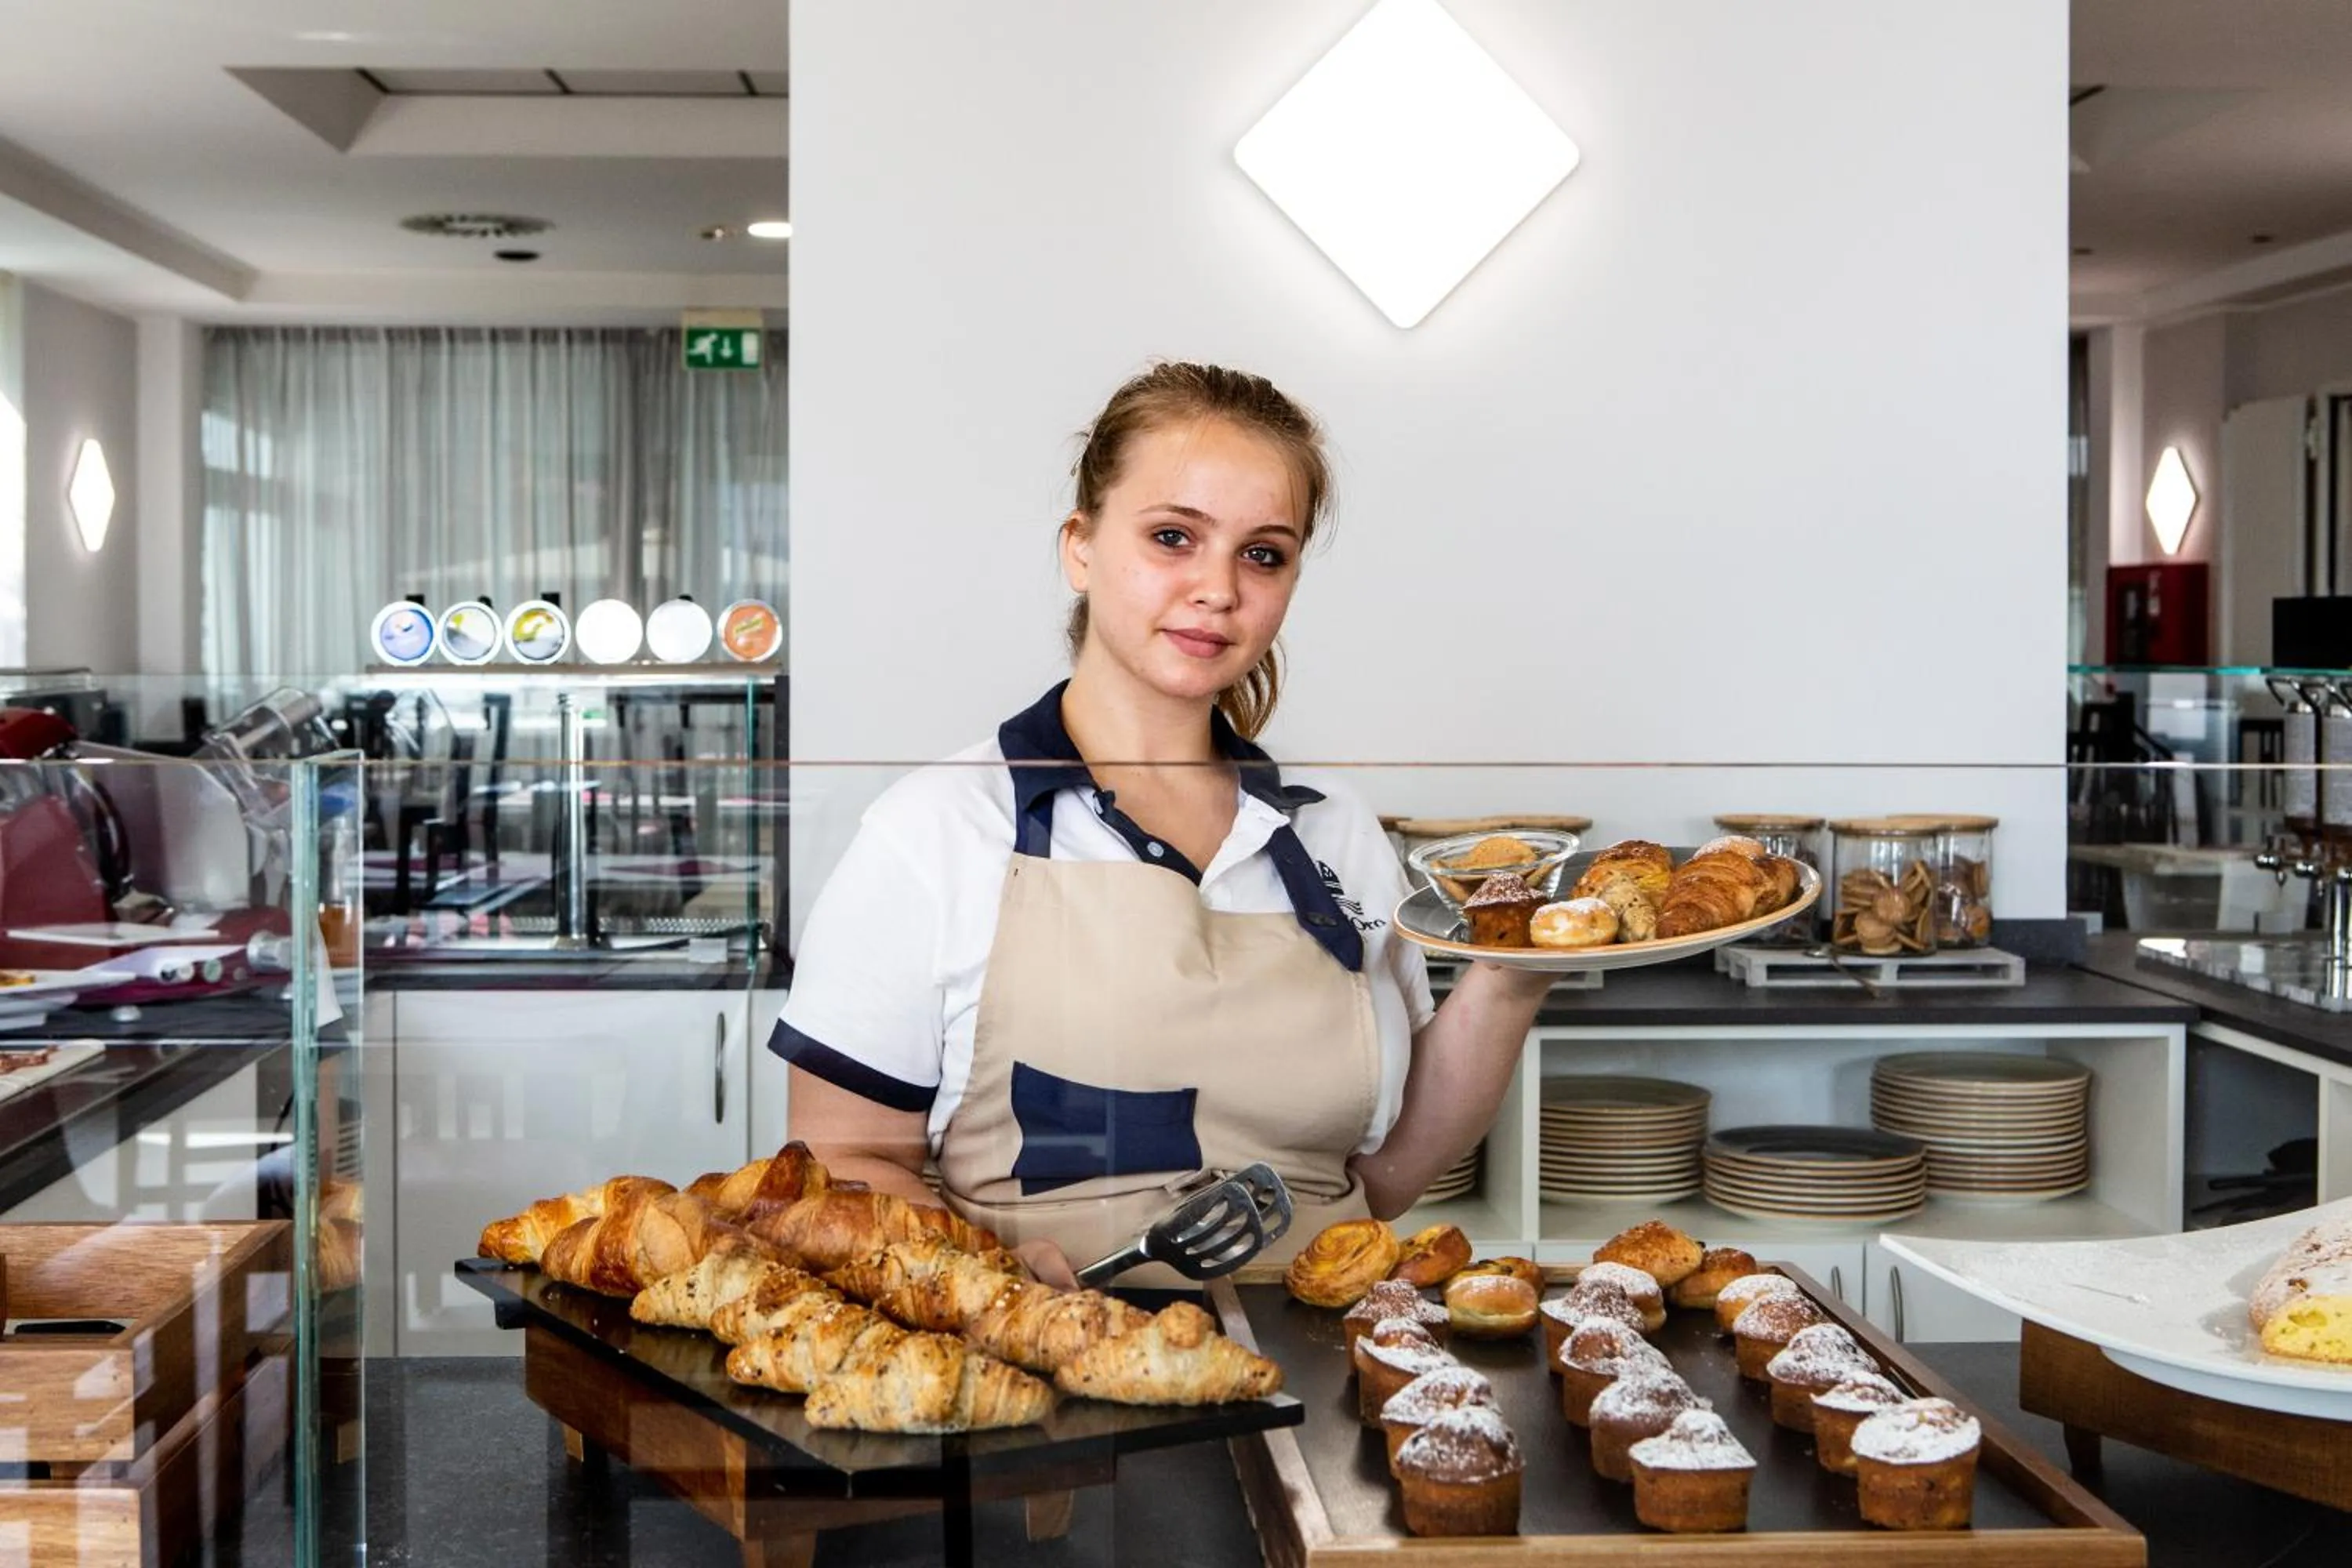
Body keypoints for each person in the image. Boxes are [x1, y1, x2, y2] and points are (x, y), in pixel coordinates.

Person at [772, 362, 1553, 1286]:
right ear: (1080, 547)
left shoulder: (1333, 828)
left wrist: (1512, 981)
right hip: (1041, 1356)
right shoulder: (936, 829)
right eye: (1173, 536)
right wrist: (987, 1277)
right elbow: (841, 1162)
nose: (1218, 588)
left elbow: (1383, 1178)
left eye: (1264, 554)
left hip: (1318, 1349)